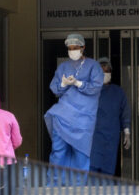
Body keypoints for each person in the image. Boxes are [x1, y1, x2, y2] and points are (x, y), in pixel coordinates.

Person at [44, 33, 104, 185]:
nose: (72, 51)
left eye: (75, 48)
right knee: (58, 153)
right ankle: (54, 187)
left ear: (83, 47)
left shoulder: (93, 66)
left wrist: (78, 83)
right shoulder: (63, 67)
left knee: (81, 154)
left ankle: (78, 189)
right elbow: (55, 89)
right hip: (63, 116)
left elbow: (96, 87)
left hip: (83, 120)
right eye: (70, 48)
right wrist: (63, 84)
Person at [90, 57, 131, 176]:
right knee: (92, 172)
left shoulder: (118, 93)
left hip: (111, 140)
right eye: (101, 71)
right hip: (94, 140)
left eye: (107, 71)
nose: (105, 74)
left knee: (107, 173)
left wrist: (127, 131)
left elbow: (125, 112)